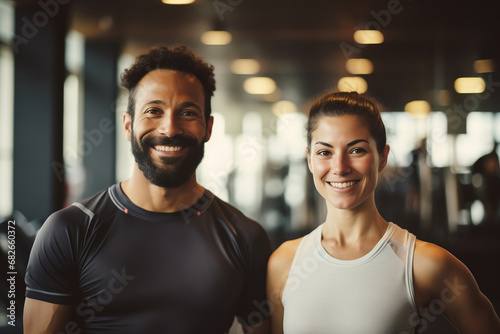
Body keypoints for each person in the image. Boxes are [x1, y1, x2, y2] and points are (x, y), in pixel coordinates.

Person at [24, 45, 272, 334]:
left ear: (208, 128)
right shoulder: (69, 230)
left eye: (188, 112)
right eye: (154, 111)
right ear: (128, 125)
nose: (169, 129)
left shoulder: (244, 236)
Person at [266, 91, 500, 334]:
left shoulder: (424, 263)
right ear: (310, 160)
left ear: (383, 157)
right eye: (325, 152)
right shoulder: (284, 263)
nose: (340, 167)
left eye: (356, 150)